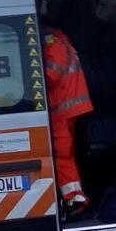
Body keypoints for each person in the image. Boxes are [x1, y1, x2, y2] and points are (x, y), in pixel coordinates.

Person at [43, 26, 93, 216]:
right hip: (68, 107)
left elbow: (50, 75)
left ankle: (75, 197)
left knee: (61, 153)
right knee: (63, 152)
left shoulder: (53, 43)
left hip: (63, 108)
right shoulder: (59, 41)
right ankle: (73, 196)